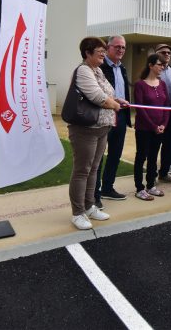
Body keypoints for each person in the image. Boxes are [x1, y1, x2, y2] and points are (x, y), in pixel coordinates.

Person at [67, 37, 123, 230]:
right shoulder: (83, 70)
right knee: (82, 170)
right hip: (85, 129)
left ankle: (89, 206)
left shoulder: (97, 70)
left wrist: (117, 100)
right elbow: (97, 97)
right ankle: (77, 213)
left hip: (101, 128)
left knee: (94, 168)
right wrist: (114, 104)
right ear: (87, 53)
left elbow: (107, 93)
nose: (103, 53)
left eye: (103, 50)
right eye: (99, 50)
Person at [93, 35, 131, 210]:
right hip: (104, 115)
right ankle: (94, 194)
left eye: (123, 47)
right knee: (99, 156)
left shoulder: (121, 67)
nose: (121, 50)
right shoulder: (100, 66)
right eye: (117, 47)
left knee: (115, 154)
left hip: (121, 116)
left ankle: (108, 187)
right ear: (108, 47)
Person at [132, 53, 170, 201]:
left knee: (154, 158)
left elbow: (167, 107)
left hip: (159, 129)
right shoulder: (140, 85)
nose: (162, 67)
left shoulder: (162, 84)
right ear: (150, 65)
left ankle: (150, 185)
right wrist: (153, 126)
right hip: (144, 129)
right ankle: (139, 188)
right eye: (159, 64)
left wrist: (163, 125)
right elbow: (140, 109)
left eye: (163, 65)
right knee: (141, 156)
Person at [155, 43, 171, 183]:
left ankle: (163, 173)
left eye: (169, 53)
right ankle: (151, 175)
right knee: (154, 144)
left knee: (169, 144)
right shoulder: (151, 70)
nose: (166, 54)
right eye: (163, 52)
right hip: (157, 112)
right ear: (156, 53)